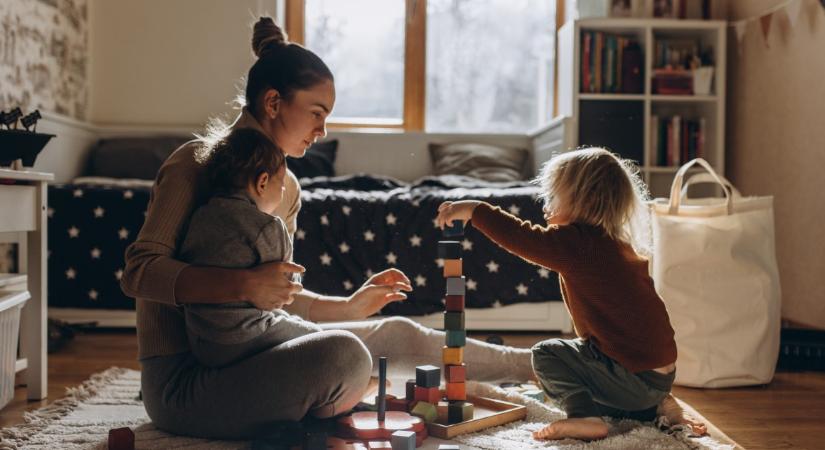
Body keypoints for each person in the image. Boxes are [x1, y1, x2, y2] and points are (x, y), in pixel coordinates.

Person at [121, 17, 533, 440]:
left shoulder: (289, 188)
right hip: (185, 383)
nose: (322, 131)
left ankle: (536, 365)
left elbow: (278, 297)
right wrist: (242, 285)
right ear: (273, 102)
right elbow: (139, 272)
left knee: (395, 333)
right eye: (316, 114)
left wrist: (349, 307)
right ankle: (328, 402)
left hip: (256, 351)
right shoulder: (194, 163)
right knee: (343, 357)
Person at [435, 148, 707, 441]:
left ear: (582, 200)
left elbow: (521, 237)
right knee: (580, 370)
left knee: (547, 354)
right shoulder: (613, 243)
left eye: (553, 198)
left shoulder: (579, 243)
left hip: (633, 376)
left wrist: (476, 209)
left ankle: (584, 417)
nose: (545, 208)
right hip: (658, 376)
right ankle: (653, 406)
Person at [179, 128, 321, 368]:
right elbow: (286, 285)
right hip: (247, 335)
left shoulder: (200, 215)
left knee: (284, 321)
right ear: (262, 182)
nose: (283, 192)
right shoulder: (267, 225)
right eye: (282, 186)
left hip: (202, 341)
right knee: (321, 339)